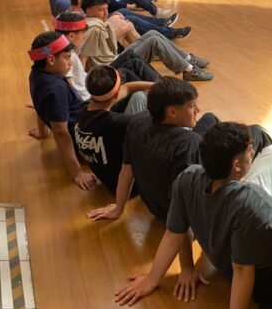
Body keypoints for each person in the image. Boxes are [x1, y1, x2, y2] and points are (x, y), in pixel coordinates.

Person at [111, 122, 272, 309]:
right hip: (267, 282)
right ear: (236, 165)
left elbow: (174, 232)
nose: (253, 152)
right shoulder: (251, 202)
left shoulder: (187, 177)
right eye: (249, 150)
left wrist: (166, 275)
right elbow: (243, 270)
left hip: (232, 260)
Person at [87, 77, 219, 222]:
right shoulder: (189, 143)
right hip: (174, 216)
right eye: (192, 105)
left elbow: (126, 171)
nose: (197, 109)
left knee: (207, 121)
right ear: (172, 111)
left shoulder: (137, 121)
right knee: (215, 122)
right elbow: (188, 196)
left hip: (153, 207)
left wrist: (119, 208)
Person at [78, 0, 212, 81]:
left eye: (106, 8)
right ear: (89, 11)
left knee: (152, 33)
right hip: (111, 69)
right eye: (101, 9)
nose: (106, 13)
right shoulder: (94, 28)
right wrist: (86, 86)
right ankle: (189, 70)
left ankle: (188, 60)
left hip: (116, 59)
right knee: (154, 40)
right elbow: (83, 59)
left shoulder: (94, 22)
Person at [26, 31, 98, 190]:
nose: (71, 63)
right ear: (51, 60)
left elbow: (39, 105)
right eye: (67, 58)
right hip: (86, 136)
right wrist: (77, 172)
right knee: (131, 88)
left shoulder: (36, 74)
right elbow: (60, 132)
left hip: (83, 118)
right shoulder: (55, 89)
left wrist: (43, 131)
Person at [75, 65, 152, 194]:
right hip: (130, 185)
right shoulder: (117, 123)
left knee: (139, 96)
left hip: (109, 179)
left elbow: (127, 87)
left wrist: (158, 85)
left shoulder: (83, 109)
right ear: (116, 94)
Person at [53, 11, 159, 103]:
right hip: (93, 94)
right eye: (82, 34)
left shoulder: (65, 51)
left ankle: (162, 88)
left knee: (131, 61)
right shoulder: (67, 57)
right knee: (132, 67)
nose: (84, 36)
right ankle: (162, 91)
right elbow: (70, 87)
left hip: (90, 84)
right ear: (71, 36)